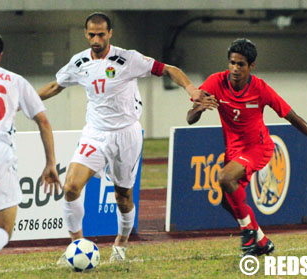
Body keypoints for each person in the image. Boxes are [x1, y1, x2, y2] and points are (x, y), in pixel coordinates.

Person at [38, 12, 205, 263]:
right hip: (94, 133)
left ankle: (121, 244)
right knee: (71, 188)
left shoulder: (128, 58)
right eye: (92, 34)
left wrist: (191, 89)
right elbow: (55, 86)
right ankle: (76, 246)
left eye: (101, 34)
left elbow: (169, 69)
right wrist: (24, 100)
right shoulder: (79, 62)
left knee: (123, 197)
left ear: (110, 34)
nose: (96, 39)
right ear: (86, 34)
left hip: (126, 134)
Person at [187, 38, 307, 256]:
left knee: (224, 178)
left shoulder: (260, 89)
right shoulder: (215, 82)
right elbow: (190, 118)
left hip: (258, 148)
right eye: (232, 63)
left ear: (251, 66)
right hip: (233, 151)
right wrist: (199, 109)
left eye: (241, 64)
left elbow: (294, 118)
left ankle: (248, 235)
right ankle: (262, 241)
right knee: (226, 202)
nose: (234, 68)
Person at [0, 31, 61, 256]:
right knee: (3, 231)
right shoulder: (15, 80)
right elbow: (43, 121)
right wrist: (51, 163)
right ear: (0, 55)